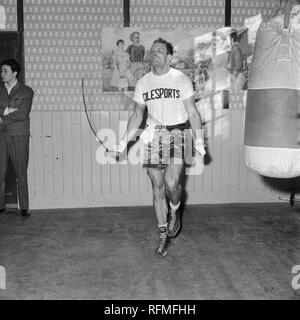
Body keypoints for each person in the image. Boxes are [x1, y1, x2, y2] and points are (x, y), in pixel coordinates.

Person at [111, 38, 206, 257]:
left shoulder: (181, 79)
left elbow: (192, 112)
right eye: (152, 51)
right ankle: (163, 235)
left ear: (170, 57)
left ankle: (175, 210)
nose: (154, 53)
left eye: (160, 51)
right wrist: (122, 142)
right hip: (153, 137)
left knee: (172, 184)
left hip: (177, 134)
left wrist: (199, 140)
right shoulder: (144, 82)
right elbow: (137, 115)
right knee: (157, 189)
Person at [0, 59, 34, 217]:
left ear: (14, 73)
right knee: (1, 172)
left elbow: (23, 113)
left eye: (5, 71)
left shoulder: (26, 91)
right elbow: (14, 112)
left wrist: (4, 114)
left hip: (20, 135)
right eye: (1, 71)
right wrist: (9, 109)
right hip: (2, 134)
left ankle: (24, 207)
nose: (2, 74)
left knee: (21, 172)